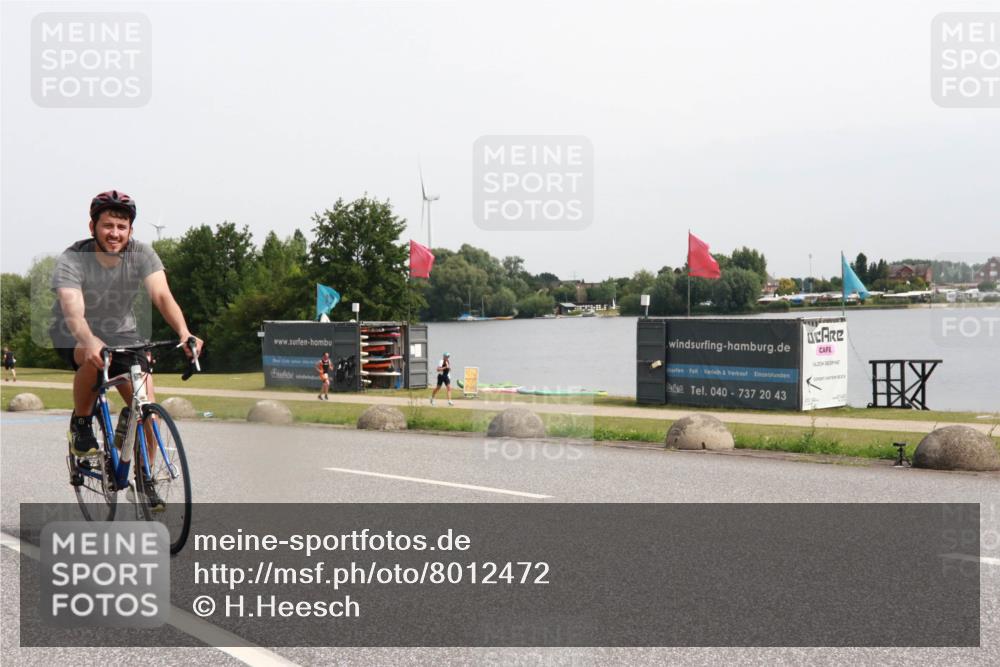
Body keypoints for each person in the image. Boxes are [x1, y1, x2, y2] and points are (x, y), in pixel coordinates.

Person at [50, 190, 203, 511]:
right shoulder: (73, 259)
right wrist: (89, 339)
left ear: (131, 231)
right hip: (75, 331)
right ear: (92, 227)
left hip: (124, 333)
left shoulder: (142, 254)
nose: (115, 233)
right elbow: (72, 310)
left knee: (147, 408)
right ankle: (80, 423)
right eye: (108, 225)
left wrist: (184, 333)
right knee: (94, 356)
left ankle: (144, 480)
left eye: (122, 226)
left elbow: (162, 296)